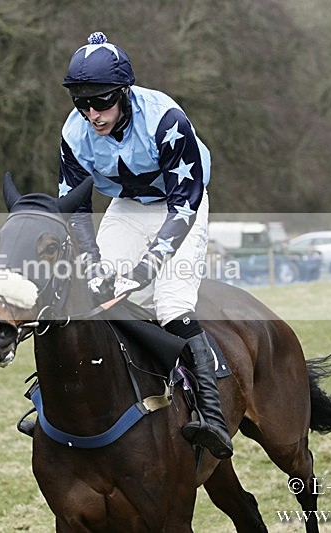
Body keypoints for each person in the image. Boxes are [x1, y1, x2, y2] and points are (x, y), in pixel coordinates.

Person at [56, 32, 232, 458]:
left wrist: (149, 264)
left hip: (180, 205)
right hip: (129, 206)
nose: (91, 114)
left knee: (171, 305)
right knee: (100, 295)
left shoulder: (166, 119)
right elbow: (74, 207)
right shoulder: (74, 131)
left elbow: (185, 205)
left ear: (123, 93)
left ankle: (212, 417)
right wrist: (95, 264)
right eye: (82, 103)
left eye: (101, 102)